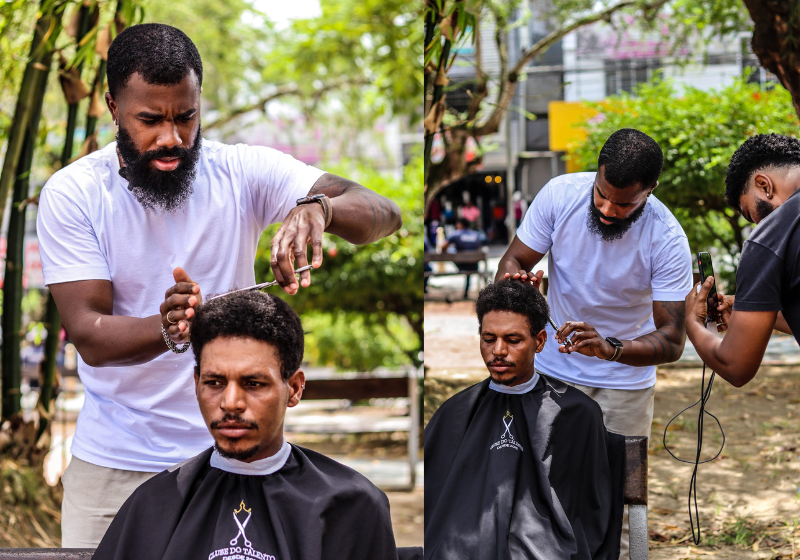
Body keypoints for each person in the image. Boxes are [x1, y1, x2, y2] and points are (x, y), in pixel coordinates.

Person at [36, 24, 401, 546]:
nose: (171, 138)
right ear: (113, 107)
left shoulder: (243, 171)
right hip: (117, 466)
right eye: (150, 120)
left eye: (186, 117)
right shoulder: (74, 194)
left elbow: (385, 213)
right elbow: (90, 334)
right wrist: (168, 328)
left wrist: (319, 209)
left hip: (237, 459)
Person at [496, 128, 692, 557]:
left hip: (624, 387)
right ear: (596, 175)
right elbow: (513, 260)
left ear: (650, 191)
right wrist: (519, 288)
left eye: (624, 204)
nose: (606, 209)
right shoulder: (559, 195)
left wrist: (610, 348)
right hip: (552, 373)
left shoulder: (667, 238)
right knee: (541, 489)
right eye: (601, 194)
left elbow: (673, 339)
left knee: (617, 500)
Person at [92, 290, 398, 560]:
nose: (231, 402)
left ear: (294, 388)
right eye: (214, 382)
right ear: (196, 382)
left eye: (253, 383)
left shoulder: (349, 506)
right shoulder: (155, 505)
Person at [424, 280, 625, 560]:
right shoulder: (454, 412)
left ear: (539, 341)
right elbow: (440, 507)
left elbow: (587, 512)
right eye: (489, 338)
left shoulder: (576, 413)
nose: (498, 351)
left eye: (513, 340)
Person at [686, 133, 800, 387]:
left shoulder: (771, 236)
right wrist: (753, 307)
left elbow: (735, 365)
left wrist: (692, 322)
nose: (759, 225)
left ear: (764, 185)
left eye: (752, 215)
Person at [442, 217, 486, 299]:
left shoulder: (455, 234)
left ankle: (466, 290)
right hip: (474, 265)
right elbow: (479, 248)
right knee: (469, 261)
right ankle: (466, 290)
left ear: (460, 224)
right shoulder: (476, 234)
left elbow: (443, 248)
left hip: (461, 265)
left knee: (452, 251)